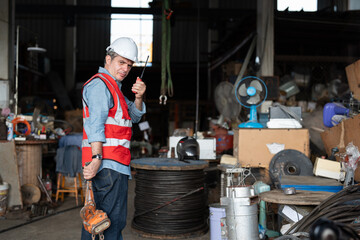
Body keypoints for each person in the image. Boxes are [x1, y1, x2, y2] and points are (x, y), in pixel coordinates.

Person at [81, 37, 146, 240]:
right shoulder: (101, 86)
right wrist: (96, 158)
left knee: (101, 223)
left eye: (129, 64)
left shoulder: (114, 88)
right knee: (107, 225)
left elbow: (135, 116)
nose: (126, 68)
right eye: (121, 62)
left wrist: (138, 97)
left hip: (114, 164)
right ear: (108, 59)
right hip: (106, 165)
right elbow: (96, 126)